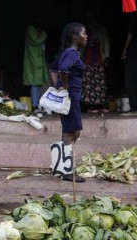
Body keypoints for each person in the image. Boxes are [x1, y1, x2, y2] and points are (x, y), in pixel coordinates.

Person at [49, 23, 88, 182]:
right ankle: (66, 171)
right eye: (83, 33)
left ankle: (61, 165)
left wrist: (58, 86)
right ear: (74, 36)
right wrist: (64, 87)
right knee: (70, 132)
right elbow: (63, 70)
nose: (86, 36)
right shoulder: (71, 54)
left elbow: (53, 69)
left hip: (71, 96)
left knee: (74, 130)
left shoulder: (67, 53)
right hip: (71, 96)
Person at [82, 11, 110, 113]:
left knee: (100, 82)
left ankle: (100, 104)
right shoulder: (84, 30)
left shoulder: (101, 30)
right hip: (88, 59)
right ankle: (91, 106)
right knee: (89, 82)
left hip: (99, 58)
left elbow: (106, 43)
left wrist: (107, 56)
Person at [23, 15, 48, 113]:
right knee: (34, 84)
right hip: (33, 61)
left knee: (37, 85)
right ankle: (34, 106)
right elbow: (36, 40)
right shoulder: (31, 29)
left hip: (37, 61)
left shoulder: (35, 29)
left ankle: (36, 105)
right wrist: (44, 34)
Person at [121, 8, 137, 114]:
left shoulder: (133, 12)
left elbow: (131, 31)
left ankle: (136, 107)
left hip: (135, 49)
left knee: (131, 79)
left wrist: (125, 49)